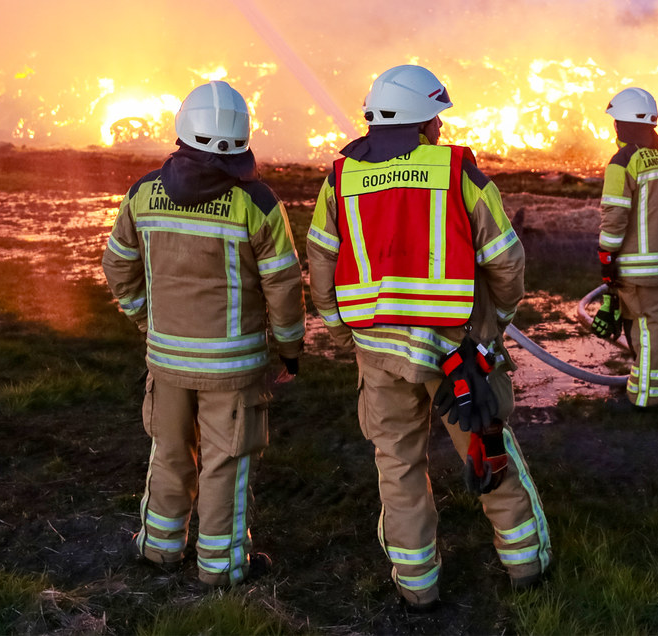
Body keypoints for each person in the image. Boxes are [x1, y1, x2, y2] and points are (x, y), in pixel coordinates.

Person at [305, 64, 551, 612]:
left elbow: (320, 262)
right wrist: (493, 329)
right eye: (436, 117)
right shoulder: (457, 170)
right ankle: (526, 566)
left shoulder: (339, 179)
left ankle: (417, 586)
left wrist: (339, 327)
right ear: (421, 122)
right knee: (489, 449)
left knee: (396, 464)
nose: (440, 127)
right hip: (456, 355)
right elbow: (506, 261)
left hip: (379, 353)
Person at [101, 80, 305, 587]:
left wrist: (146, 319)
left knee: (168, 453)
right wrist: (290, 347)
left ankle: (159, 549)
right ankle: (221, 567)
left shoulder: (143, 193)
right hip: (232, 371)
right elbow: (282, 283)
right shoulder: (256, 203)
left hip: (166, 362)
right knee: (225, 463)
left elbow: (117, 265)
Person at [591, 86, 658, 409]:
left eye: (617, 122)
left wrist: (607, 256)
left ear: (626, 124)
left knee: (647, 326)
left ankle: (646, 397)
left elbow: (614, 216)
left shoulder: (623, 161)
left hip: (637, 267)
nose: (614, 128)